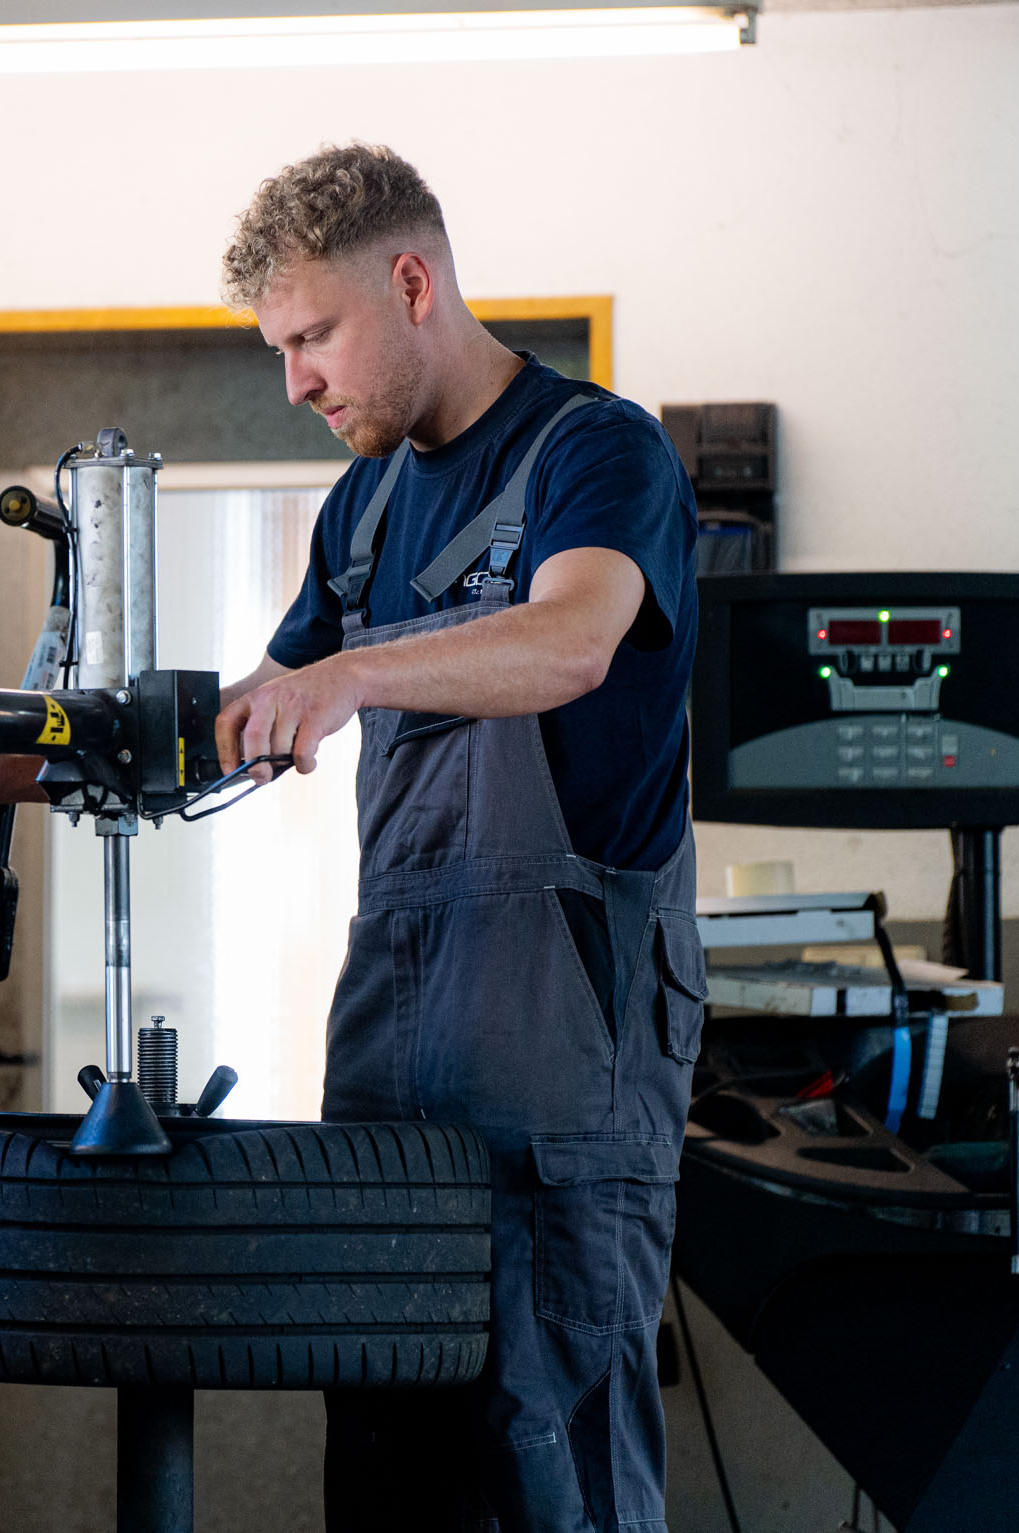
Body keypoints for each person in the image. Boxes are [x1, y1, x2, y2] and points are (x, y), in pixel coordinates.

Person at [215, 143, 702, 1533]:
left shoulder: (597, 452)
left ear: (411, 281)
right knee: (385, 1459)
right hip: (395, 1060)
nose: (296, 379)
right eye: (280, 346)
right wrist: (11, 749)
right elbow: (263, 707)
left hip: (559, 1064)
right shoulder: (363, 509)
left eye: (313, 336)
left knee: (557, 1467)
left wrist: (355, 676)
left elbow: (575, 639)